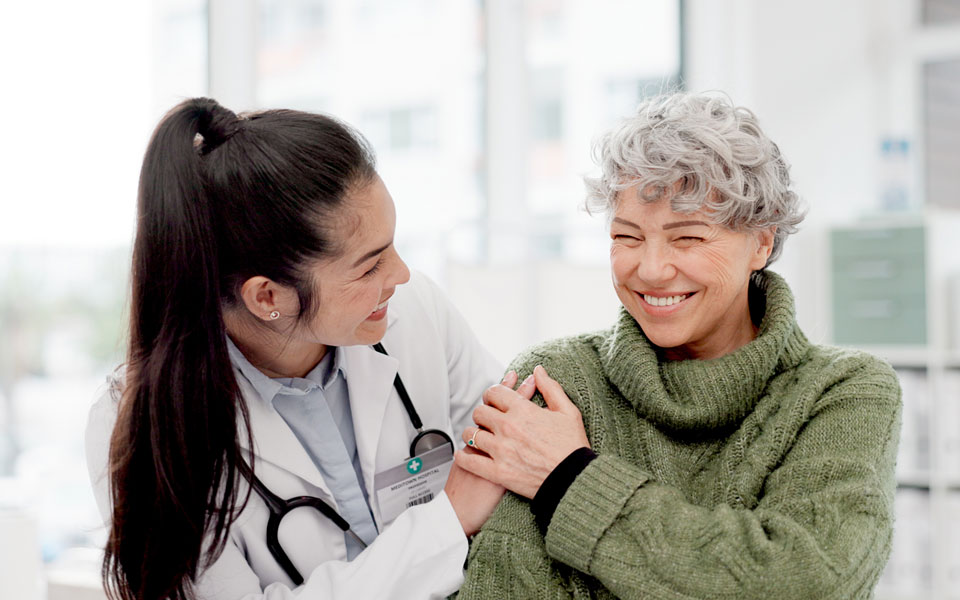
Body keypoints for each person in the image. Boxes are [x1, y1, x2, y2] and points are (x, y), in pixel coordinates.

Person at [453, 92, 902, 599]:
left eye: (687, 238)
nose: (650, 269)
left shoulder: (843, 391)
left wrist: (568, 479)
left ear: (762, 242)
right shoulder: (558, 379)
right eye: (626, 237)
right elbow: (504, 585)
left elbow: (806, 582)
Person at [84, 97, 518, 600]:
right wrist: (446, 524)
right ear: (268, 296)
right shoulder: (143, 425)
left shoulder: (414, 312)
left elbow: (509, 463)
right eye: (369, 265)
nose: (400, 275)